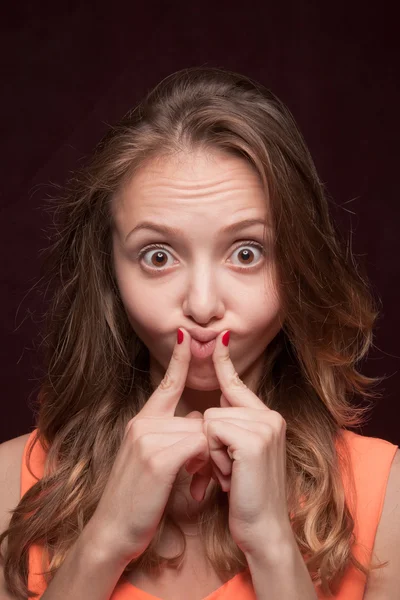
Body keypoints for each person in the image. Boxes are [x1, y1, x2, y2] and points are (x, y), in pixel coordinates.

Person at [0, 66, 398, 600]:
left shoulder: (386, 495)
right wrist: (106, 540)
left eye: (247, 253)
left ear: (299, 262)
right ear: (110, 272)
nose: (204, 306)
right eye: (158, 256)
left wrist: (273, 547)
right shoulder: (10, 484)